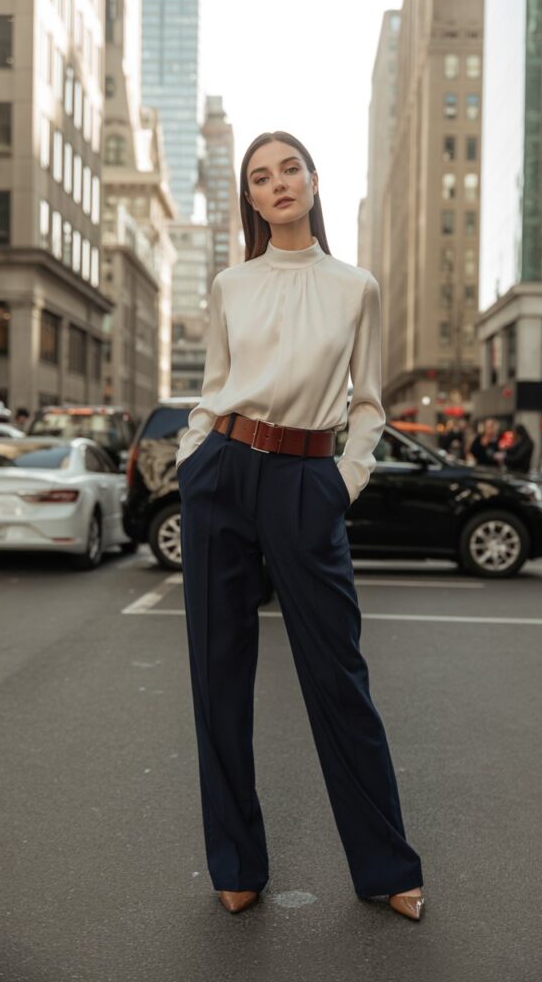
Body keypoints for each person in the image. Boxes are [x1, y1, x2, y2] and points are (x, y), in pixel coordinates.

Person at [175, 131, 425, 921]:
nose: (278, 183)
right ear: (249, 200)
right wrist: (192, 457)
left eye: (290, 169)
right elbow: (214, 388)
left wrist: (343, 479)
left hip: (305, 481)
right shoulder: (229, 285)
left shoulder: (356, 287)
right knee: (219, 680)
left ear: (314, 183)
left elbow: (368, 401)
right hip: (222, 471)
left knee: (338, 677)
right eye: (260, 176)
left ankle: (387, 867)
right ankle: (236, 863)